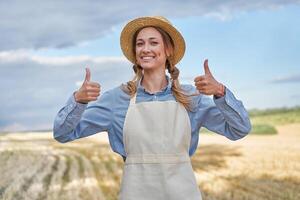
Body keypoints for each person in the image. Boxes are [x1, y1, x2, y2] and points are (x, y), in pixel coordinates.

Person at [53, 16, 251, 200]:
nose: (145, 48)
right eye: (140, 43)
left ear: (168, 50)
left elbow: (239, 129)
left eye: (153, 42)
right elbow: (63, 133)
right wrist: (78, 100)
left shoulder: (191, 98)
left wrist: (220, 92)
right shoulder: (117, 99)